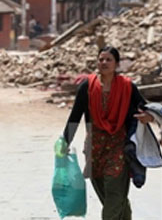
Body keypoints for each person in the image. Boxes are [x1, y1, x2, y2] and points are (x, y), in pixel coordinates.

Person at [62, 46, 146, 220]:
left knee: (114, 194)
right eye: (101, 59)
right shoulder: (87, 87)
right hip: (94, 148)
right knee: (108, 196)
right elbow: (75, 117)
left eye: (108, 59)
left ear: (116, 64)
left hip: (119, 146)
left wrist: (148, 117)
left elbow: (145, 108)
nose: (104, 63)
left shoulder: (127, 87)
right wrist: (65, 142)